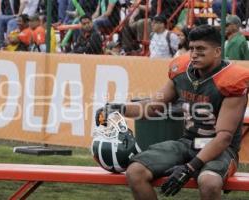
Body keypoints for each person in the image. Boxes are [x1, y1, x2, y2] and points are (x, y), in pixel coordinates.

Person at [95, 24, 249, 199]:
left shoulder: (233, 80)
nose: (194, 54)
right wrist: (118, 108)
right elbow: (153, 106)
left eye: (201, 49)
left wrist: (188, 168)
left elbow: (224, 138)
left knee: (209, 182)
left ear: (217, 51)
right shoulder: (181, 72)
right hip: (189, 143)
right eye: (191, 48)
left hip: (221, 151)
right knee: (135, 172)